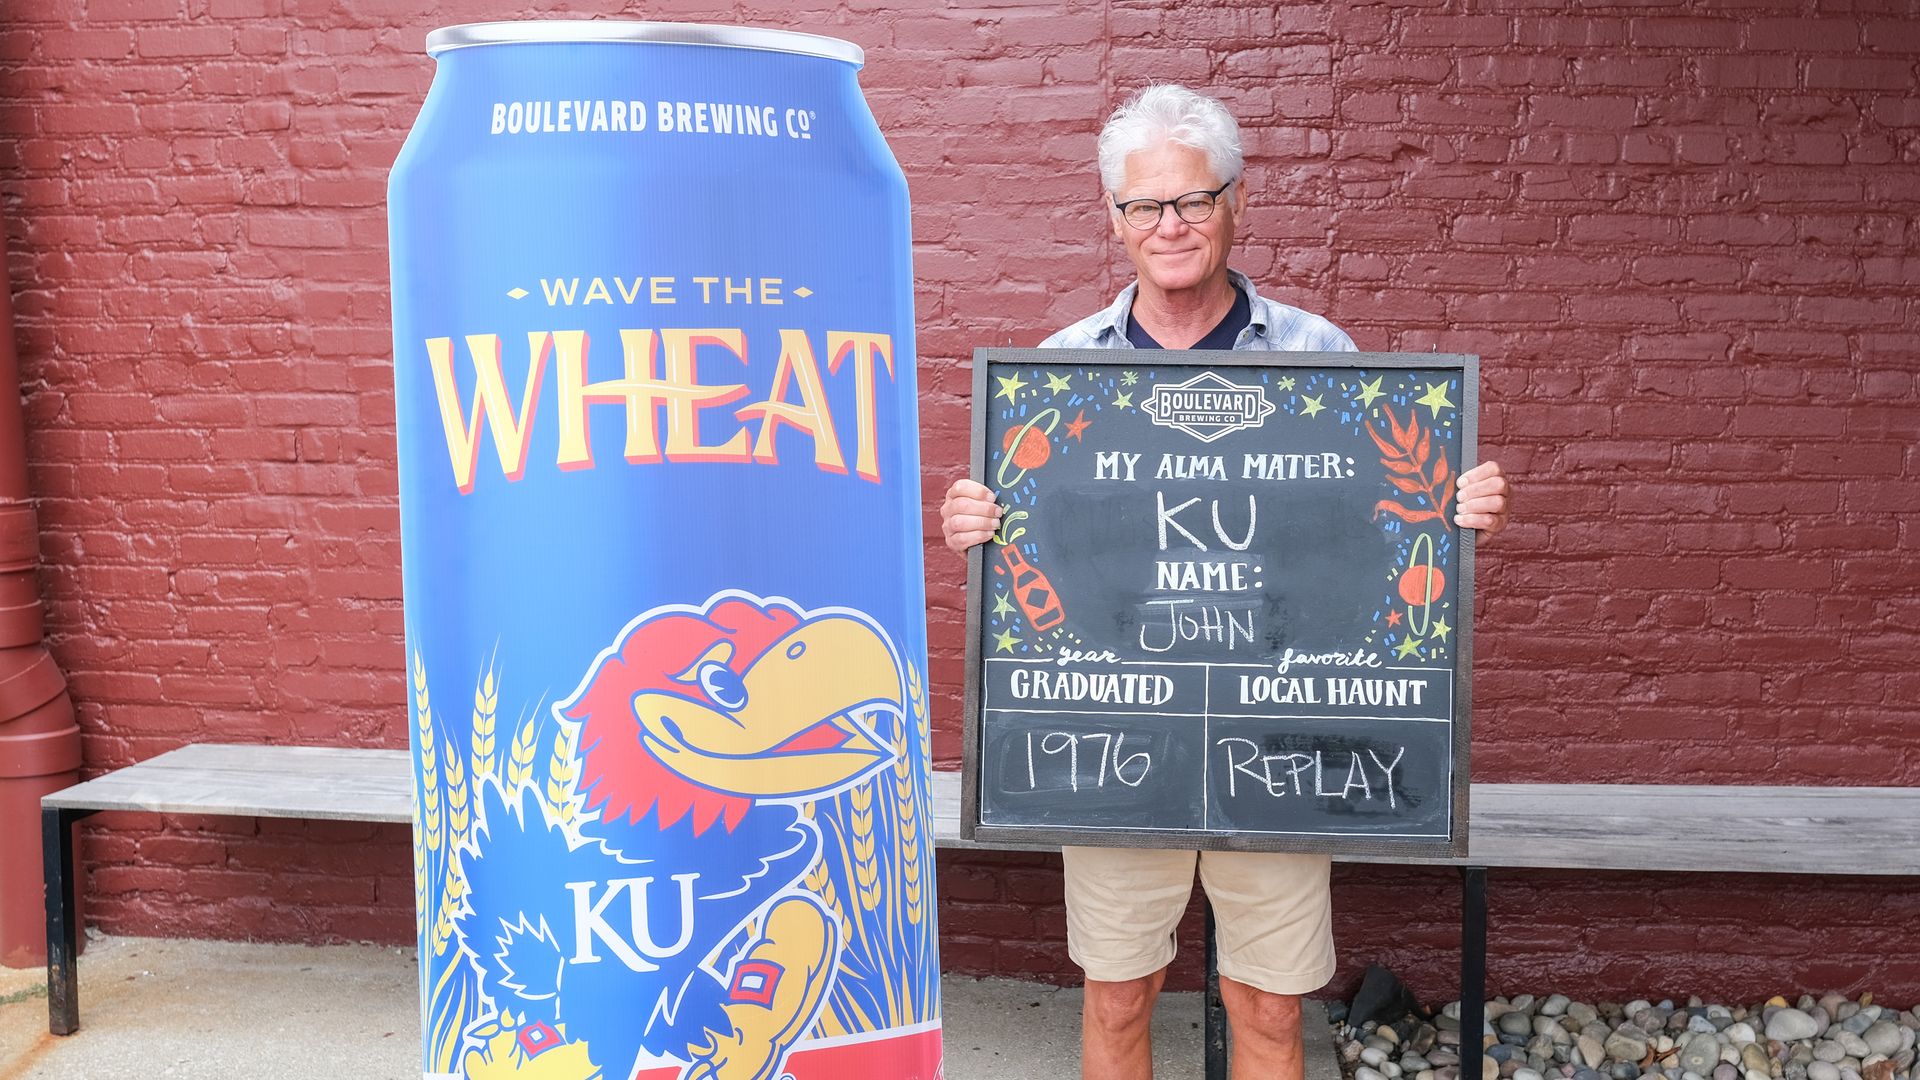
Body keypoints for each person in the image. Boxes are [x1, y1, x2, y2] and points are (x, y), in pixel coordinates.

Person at [939, 84, 1513, 1080]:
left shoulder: (1317, 357)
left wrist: (1454, 515)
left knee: (1267, 1006)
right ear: (1114, 221)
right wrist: (980, 528)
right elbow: (1033, 546)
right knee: (1119, 1000)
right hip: (1118, 736)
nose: (1170, 225)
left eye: (1193, 200)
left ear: (1236, 203)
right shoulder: (1064, 370)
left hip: (1280, 736)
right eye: (1144, 206)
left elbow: (1379, 526)